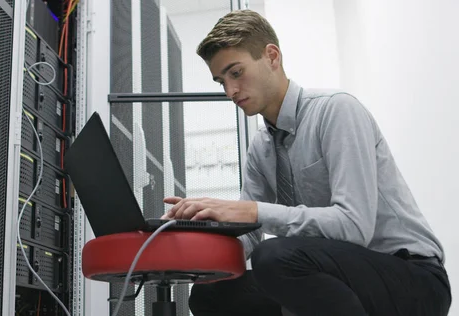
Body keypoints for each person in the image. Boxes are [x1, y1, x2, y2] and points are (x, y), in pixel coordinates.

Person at [160, 9, 451, 316]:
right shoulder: (262, 147)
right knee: (211, 294)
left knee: (274, 257)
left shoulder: (337, 111)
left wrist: (251, 211)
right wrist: (195, 237)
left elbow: (354, 228)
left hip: (412, 279)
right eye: (221, 81)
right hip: (337, 278)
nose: (230, 91)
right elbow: (247, 237)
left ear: (272, 57)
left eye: (236, 73)